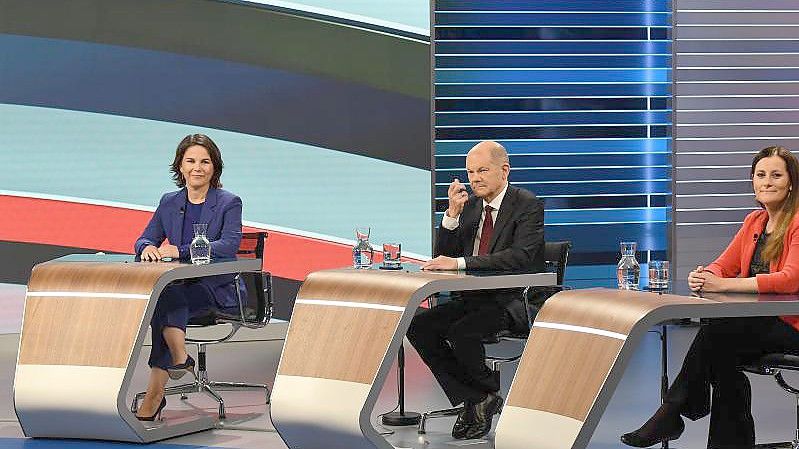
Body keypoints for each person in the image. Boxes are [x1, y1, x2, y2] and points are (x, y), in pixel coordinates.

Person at [621, 146, 799, 449]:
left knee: (718, 334)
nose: (767, 182)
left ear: (791, 183)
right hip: (758, 327)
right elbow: (723, 265)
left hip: (792, 326)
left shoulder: (797, 222)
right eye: (760, 175)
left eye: (776, 175)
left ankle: (671, 413)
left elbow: (790, 279)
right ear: (752, 181)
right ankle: (722, 440)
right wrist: (705, 276)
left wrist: (724, 285)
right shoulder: (754, 222)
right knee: (722, 356)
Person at [407, 140, 545, 440]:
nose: (475, 178)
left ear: (504, 170)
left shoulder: (527, 204)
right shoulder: (469, 207)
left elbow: (519, 256)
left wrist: (458, 261)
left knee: (461, 332)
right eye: (470, 172)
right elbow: (442, 258)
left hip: (512, 301)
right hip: (473, 298)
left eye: (482, 170)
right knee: (418, 326)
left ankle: (478, 397)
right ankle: (480, 396)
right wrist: (451, 216)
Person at [133, 134, 243, 421]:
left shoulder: (229, 202)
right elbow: (145, 238)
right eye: (191, 161)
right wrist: (147, 249)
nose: (198, 167)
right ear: (180, 167)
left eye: (205, 162)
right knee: (167, 298)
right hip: (178, 289)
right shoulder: (169, 202)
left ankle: (159, 389)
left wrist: (179, 250)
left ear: (214, 168)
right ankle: (178, 360)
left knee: (165, 302)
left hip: (215, 288)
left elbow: (229, 245)